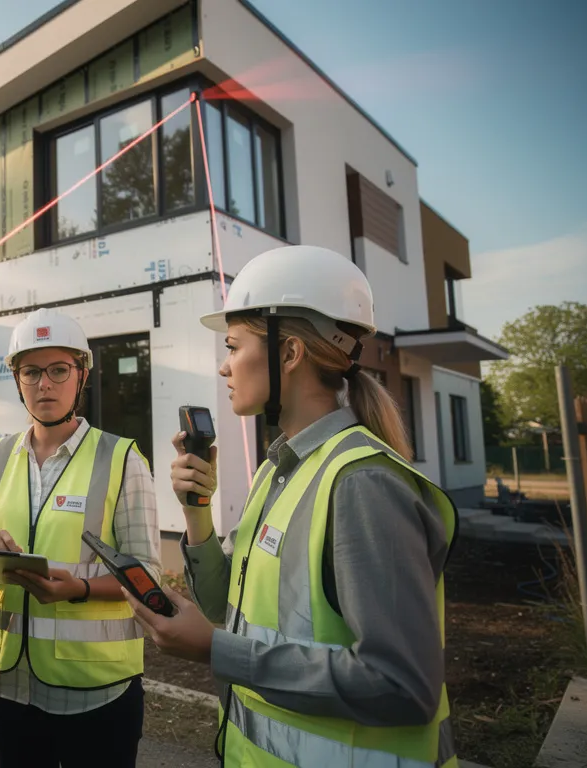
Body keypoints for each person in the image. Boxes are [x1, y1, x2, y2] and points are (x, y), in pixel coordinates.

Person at [123, 245, 460, 767]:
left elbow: (401, 683)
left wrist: (214, 650)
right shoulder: (279, 469)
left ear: (289, 353)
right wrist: (196, 512)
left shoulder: (362, 484)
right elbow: (223, 608)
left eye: (233, 346)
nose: (223, 366)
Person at [0, 307, 161, 768]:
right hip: (3, 680)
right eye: (30, 371)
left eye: (58, 370)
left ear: (82, 374)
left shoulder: (122, 459)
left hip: (95, 688)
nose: (44, 384)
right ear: (17, 379)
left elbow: (148, 574)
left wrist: (81, 588)